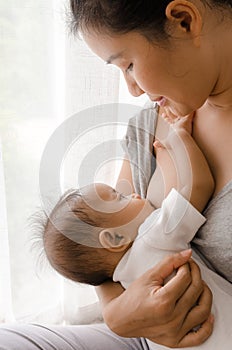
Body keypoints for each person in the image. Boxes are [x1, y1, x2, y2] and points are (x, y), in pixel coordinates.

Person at [0, 0, 232, 348]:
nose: (133, 89)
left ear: (184, 21)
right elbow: (104, 243)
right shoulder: (158, 112)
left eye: (128, 65)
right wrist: (117, 312)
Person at [41, 114, 232, 349]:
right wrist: (180, 139)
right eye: (119, 197)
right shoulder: (154, 238)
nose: (132, 193)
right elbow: (200, 183)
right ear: (115, 238)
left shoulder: (124, 283)